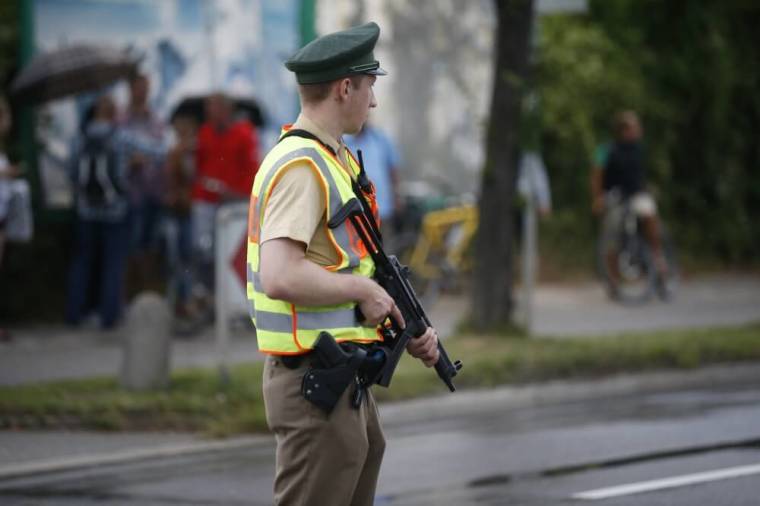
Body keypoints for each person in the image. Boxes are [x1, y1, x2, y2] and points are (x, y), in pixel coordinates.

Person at [247, 22, 440, 506]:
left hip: (339, 374)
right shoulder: (301, 167)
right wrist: (365, 294)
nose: (373, 101)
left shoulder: (334, 160)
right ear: (344, 87)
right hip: (312, 379)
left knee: (365, 452)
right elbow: (281, 273)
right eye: (370, 85)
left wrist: (402, 320)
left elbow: (351, 264)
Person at [66, 94, 165, 329]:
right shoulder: (120, 137)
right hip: (116, 209)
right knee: (114, 264)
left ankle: (74, 313)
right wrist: (130, 164)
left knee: (82, 262)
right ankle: (109, 316)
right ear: (111, 112)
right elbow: (158, 151)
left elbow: (71, 172)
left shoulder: (79, 138)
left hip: (85, 210)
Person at [192, 93, 260, 298]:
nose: (210, 112)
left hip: (235, 202)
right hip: (206, 200)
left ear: (226, 109)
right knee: (204, 249)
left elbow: (251, 168)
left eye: (214, 107)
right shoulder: (204, 132)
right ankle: (210, 293)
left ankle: (233, 297)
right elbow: (199, 166)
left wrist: (237, 192)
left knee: (233, 252)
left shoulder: (244, 133)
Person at [591, 111, 666, 285]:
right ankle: (613, 277)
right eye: (634, 127)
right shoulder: (605, 150)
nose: (638, 131)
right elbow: (596, 175)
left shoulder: (639, 148)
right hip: (615, 196)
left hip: (636, 194)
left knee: (649, 213)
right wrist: (597, 198)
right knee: (611, 232)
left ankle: (658, 259)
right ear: (623, 131)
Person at [120, 73, 167, 294]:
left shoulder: (155, 119)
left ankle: (149, 293)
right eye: (139, 87)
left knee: (152, 245)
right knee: (132, 245)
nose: (143, 92)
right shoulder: (122, 120)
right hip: (132, 193)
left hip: (154, 192)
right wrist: (130, 163)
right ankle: (131, 294)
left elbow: (162, 151)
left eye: (145, 88)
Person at [164, 114, 198, 326]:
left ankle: (186, 301)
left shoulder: (193, 154)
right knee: (176, 260)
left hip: (189, 210)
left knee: (187, 259)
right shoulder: (173, 153)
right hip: (176, 212)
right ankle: (177, 301)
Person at [344, 121, 401, 242]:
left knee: (387, 249)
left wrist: (397, 196)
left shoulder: (381, 139)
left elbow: (393, 170)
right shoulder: (343, 142)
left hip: (383, 209)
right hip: (357, 213)